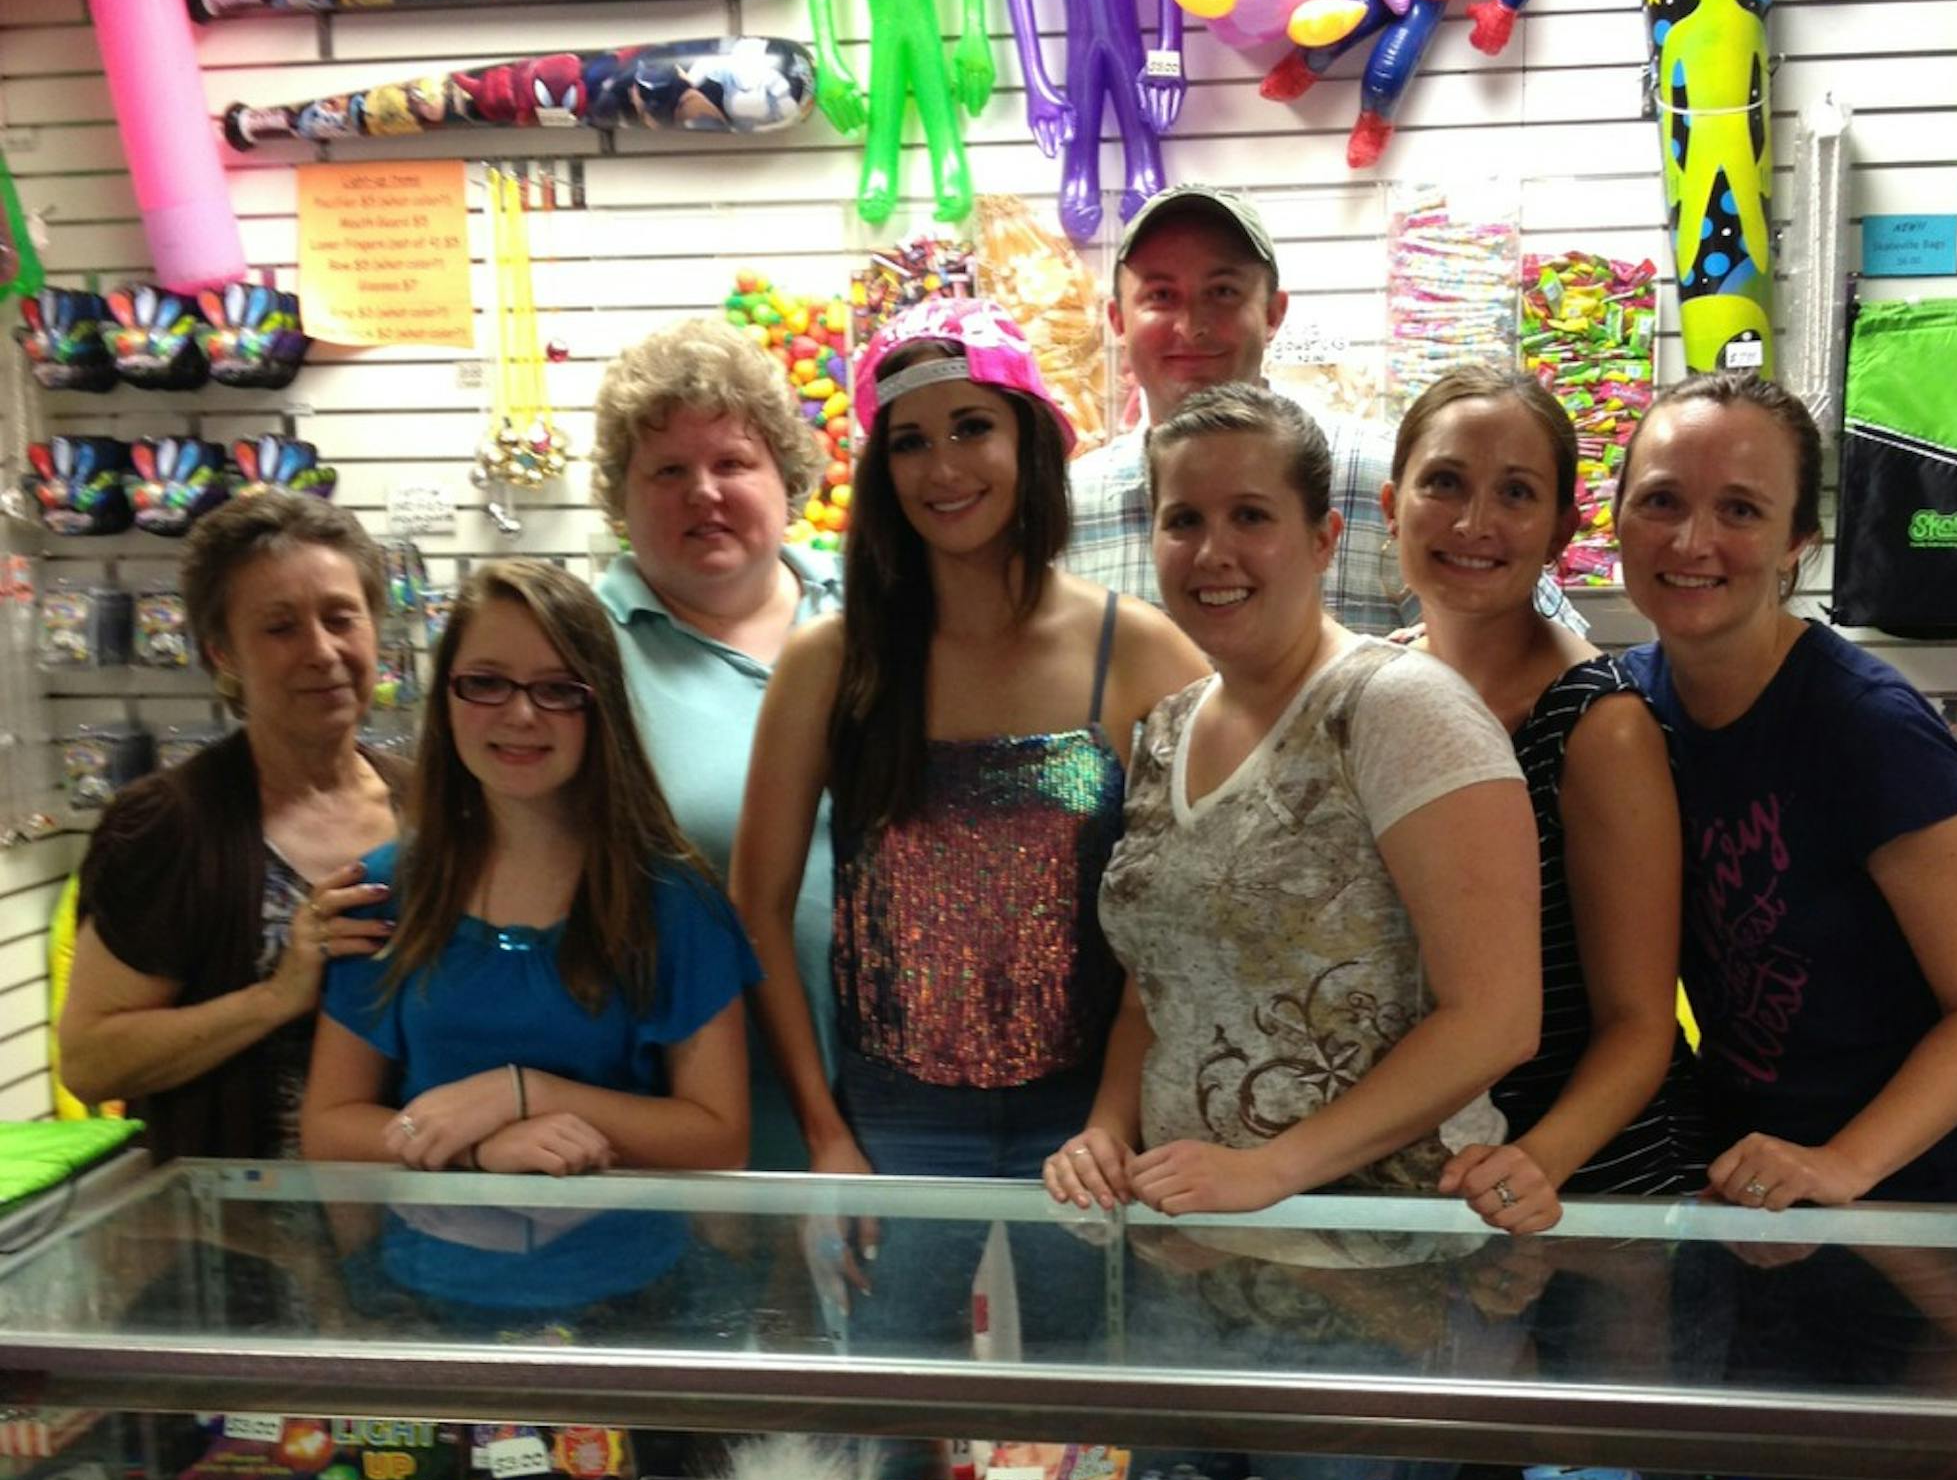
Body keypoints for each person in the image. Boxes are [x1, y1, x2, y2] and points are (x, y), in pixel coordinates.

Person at [1045, 381, 1541, 1217]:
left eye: (1250, 516)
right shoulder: (1165, 732)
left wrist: (1274, 1170)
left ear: (1322, 539)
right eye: (1184, 521)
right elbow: (1154, 990)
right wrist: (1106, 1130)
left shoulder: (1400, 708)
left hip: (1382, 1259)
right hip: (1198, 1249)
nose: (1212, 553)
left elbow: (1496, 1019)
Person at [733, 299, 1199, 1185]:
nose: (941, 467)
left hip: (1093, 1118)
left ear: (1027, 439)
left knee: (1089, 1331)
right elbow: (755, 908)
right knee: (897, 1331)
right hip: (888, 1116)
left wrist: (1112, 1117)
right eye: (909, 442)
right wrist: (825, 1131)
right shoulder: (828, 665)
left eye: (971, 427)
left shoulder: (1141, 653)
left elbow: (1177, 924)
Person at [1614, 370, 1957, 1207]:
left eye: (1741, 510)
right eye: (1660, 500)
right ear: (1615, 518)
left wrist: (1847, 1163)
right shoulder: (1623, 710)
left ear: (1801, 541)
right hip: (1766, 1181)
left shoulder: (1869, 729)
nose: (1690, 541)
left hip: (1949, 1185)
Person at [301, 559, 753, 1179]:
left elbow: (718, 1138)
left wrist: (530, 1093)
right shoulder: (383, 892)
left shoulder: (674, 898)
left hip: (629, 1270)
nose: (520, 715)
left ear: (601, 708)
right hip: (421, 1269)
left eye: (558, 688)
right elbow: (329, 1125)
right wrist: (476, 1150)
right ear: (447, 699)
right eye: (486, 682)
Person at [1385, 364, 1699, 1232]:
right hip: (1417, 1173)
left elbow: (1640, 1024)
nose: (1474, 523)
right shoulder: (1367, 691)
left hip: (1581, 1190)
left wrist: (1535, 1165)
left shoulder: (1599, 725)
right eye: (1443, 483)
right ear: (1391, 503)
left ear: (1562, 528)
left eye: (1514, 494)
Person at [1067, 181, 1573, 637]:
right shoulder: (1070, 508)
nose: (1191, 325)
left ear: (1273, 313)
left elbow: (1541, 657)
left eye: (1222, 292)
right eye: (1160, 295)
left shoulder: (1390, 477)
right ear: (1117, 319)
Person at [61, 490, 404, 1161]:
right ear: (222, 652)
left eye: (342, 618)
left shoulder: (434, 803)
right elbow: (91, 1061)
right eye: (280, 628)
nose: (323, 651)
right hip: (238, 1241)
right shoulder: (170, 825)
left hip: (422, 1230)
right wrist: (275, 998)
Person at [590, 311, 842, 1168]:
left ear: (786, 476)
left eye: (733, 462)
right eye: (668, 470)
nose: (704, 491)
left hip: (920, 1102)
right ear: (620, 497)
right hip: (703, 1120)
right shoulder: (577, 650)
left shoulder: (881, 610)